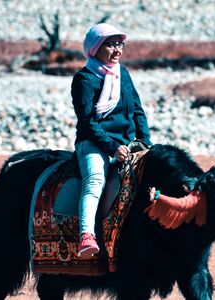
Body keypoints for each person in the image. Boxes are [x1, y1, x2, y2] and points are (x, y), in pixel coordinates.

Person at [71, 23, 152, 258]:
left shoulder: (122, 74)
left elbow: (137, 110)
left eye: (120, 44)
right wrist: (112, 148)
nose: (117, 50)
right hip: (94, 143)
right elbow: (88, 122)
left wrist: (144, 141)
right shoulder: (84, 79)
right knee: (95, 179)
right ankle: (87, 235)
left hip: (127, 144)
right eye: (110, 44)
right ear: (95, 48)